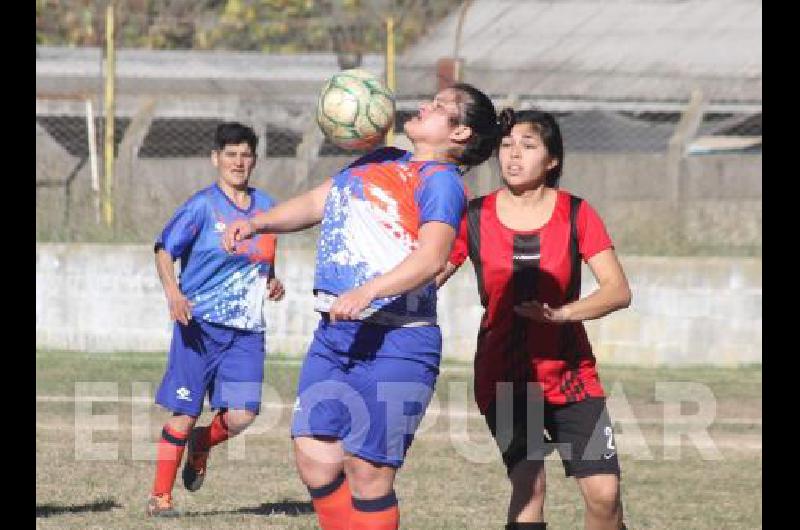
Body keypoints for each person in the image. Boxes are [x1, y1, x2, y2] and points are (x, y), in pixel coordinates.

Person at [222, 83, 501, 530]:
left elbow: (431, 258)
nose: (425, 104)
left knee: (367, 472)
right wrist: (257, 222)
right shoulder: (381, 160)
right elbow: (318, 202)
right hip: (337, 335)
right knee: (314, 456)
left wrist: (368, 291)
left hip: (398, 340)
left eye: (440, 107)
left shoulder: (442, 184)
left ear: (461, 132)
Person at [436, 109, 632, 530]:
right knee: (529, 484)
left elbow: (618, 290)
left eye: (528, 146)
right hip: (504, 379)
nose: (513, 156)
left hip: (571, 376)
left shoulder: (577, 213)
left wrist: (562, 315)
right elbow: (430, 273)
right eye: (506, 146)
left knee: (605, 494)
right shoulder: (473, 216)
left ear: (552, 159)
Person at [147, 122, 285, 517]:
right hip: (199, 326)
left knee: (242, 416)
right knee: (184, 414)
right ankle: (160, 498)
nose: (239, 162)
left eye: (246, 155)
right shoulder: (202, 206)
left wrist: (272, 282)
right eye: (230, 154)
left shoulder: (268, 208)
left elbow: (263, 259)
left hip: (246, 330)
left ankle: (204, 443)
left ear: (254, 159)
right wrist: (173, 292)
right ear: (215, 159)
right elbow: (163, 249)